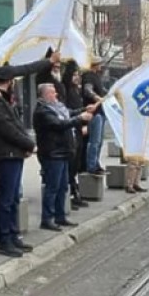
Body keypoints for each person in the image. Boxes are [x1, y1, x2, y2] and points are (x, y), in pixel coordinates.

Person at [0, 59, 54, 258]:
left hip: (13, 154)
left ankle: (13, 235)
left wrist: (24, 145)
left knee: (13, 198)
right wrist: (29, 144)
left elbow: (16, 126)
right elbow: (7, 128)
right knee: (6, 200)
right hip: (4, 155)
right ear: (9, 81)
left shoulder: (4, 100)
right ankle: (4, 239)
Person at [33, 83, 92, 231]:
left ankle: (60, 216)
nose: (56, 95)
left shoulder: (57, 107)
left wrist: (84, 109)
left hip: (63, 152)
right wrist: (80, 118)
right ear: (44, 95)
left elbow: (69, 113)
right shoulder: (42, 111)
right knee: (52, 187)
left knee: (63, 186)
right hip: (52, 153)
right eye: (52, 92)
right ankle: (47, 219)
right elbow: (59, 124)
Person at [62, 64, 90, 209]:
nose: (77, 77)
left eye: (78, 74)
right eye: (74, 74)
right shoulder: (66, 90)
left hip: (78, 128)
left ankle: (75, 193)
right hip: (71, 129)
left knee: (77, 163)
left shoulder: (76, 90)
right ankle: (70, 195)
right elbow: (68, 112)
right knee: (71, 165)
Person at [82, 56, 108, 174]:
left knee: (99, 141)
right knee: (94, 141)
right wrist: (96, 98)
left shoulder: (97, 77)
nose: (101, 66)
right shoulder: (88, 76)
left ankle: (96, 163)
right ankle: (91, 165)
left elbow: (102, 90)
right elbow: (88, 90)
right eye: (100, 64)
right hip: (95, 113)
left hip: (101, 112)